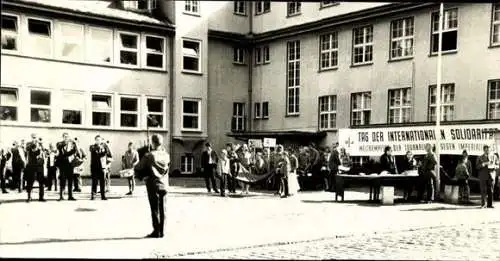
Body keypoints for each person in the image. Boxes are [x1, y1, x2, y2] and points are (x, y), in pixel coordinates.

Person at [134, 134, 170, 238]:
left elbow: (139, 167)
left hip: (153, 185)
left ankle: (156, 231)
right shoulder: (166, 155)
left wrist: (141, 175)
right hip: (164, 184)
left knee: (155, 209)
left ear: (153, 143)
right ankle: (162, 231)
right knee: (163, 209)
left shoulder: (149, 155)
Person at [25, 134, 46, 202]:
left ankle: (41, 197)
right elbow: (29, 149)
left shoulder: (40, 145)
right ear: (31, 138)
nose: (35, 139)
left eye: (35, 138)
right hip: (32, 165)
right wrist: (34, 144)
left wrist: (41, 145)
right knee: (30, 181)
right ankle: (29, 196)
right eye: (33, 138)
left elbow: (45, 152)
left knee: (41, 182)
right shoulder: (28, 144)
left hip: (40, 165)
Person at [56, 133, 78, 201]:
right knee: (62, 180)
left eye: (67, 137)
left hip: (70, 164)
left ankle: (70, 196)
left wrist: (75, 144)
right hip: (62, 165)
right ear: (63, 137)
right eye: (65, 137)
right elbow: (59, 148)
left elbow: (74, 151)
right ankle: (61, 196)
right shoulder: (59, 143)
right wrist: (66, 143)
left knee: (70, 181)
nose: (66, 138)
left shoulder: (71, 144)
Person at [89, 135, 110, 200]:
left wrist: (106, 145)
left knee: (102, 182)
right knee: (94, 182)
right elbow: (97, 153)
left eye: (99, 140)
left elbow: (107, 153)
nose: (98, 141)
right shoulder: (92, 146)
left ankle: (103, 196)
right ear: (95, 140)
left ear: (101, 140)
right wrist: (100, 147)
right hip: (94, 167)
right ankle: (93, 195)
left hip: (102, 167)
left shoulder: (104, 147)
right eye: (97, 140)